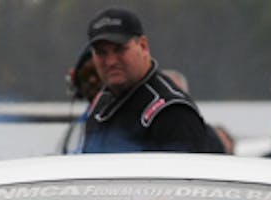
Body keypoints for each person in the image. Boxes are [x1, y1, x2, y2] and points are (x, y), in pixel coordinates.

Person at [80, 7, 223, 154]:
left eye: (120, 49)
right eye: (101, 53)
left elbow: (187, 175)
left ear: (143, 46)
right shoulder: (102, 104)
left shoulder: (171, 111)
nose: (110, 61)